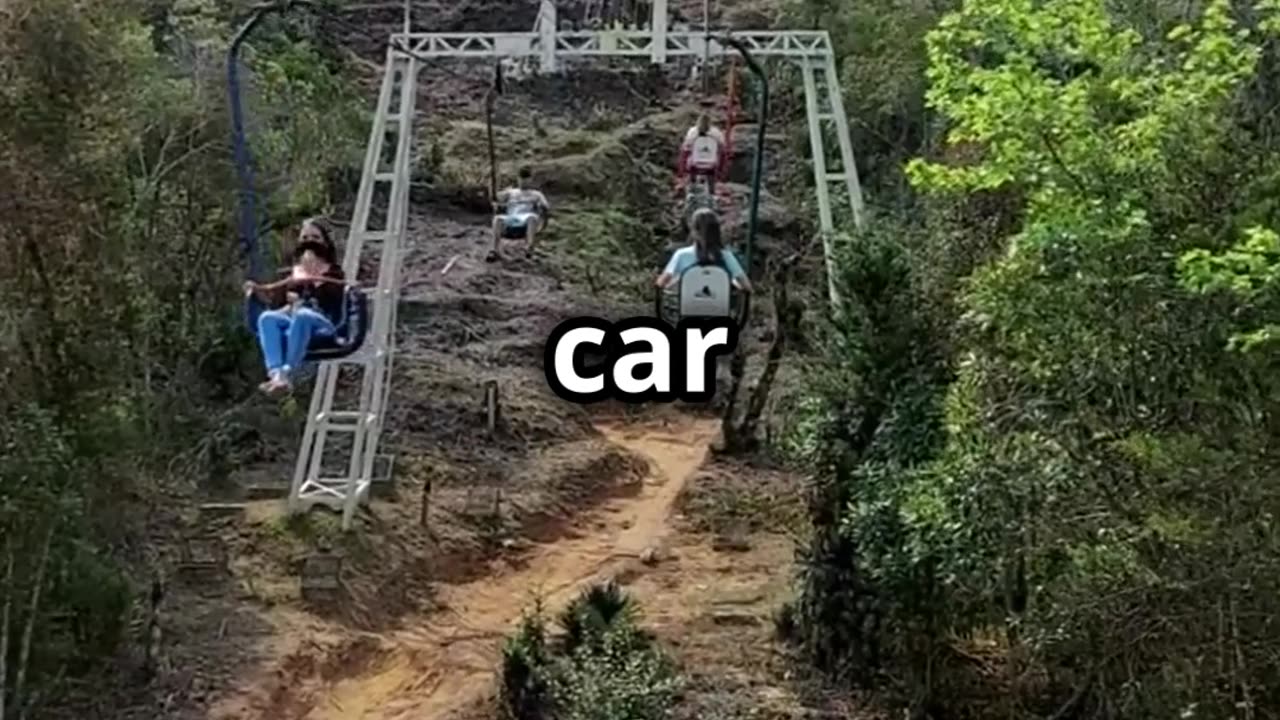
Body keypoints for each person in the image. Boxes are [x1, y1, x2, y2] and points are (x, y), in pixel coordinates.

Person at [244, 229, 348, 395]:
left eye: (315, 237)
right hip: (295, 318)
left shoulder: (333, 272)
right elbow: (280, 303)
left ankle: (288, 372)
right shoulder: (293, 274)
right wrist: (257, 292)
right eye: (305, 238)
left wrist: (315, 279)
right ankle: (276, 372)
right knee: (267, 317)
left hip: (322, 323)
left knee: (303, 315)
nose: (310, 242)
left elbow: (334, 301)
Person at [655, 207, 751, 292]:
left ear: (694, 231)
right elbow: (747, 287)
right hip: (720, 310)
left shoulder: (681, 255)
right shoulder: (727, 256)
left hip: (687, 309)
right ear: (717, 231)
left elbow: (660, 284)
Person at [489, 166, 550, 262]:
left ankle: (529, 248)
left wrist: (541, 208)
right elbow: (496, 197)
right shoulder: (511, 192)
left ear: (530, 180)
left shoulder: (536, 194)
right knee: (497, 219)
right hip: (511, 218)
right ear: (518, 179)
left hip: (525, 219)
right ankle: (494, 250)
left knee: (532, 217)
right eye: (521, 179)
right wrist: (494, 191)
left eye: (526, 179)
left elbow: (546, 206)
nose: (523, 182)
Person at [678, 112, 727, 194]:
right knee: (711, 174)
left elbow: (685, 149)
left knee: (691, 167)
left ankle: (692, 188)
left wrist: (681, 169)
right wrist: (721, 170)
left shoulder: (692, 132)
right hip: (712, 164)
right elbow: (723, 149)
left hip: (694, 164)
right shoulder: (716, 133)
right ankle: (712, 193)